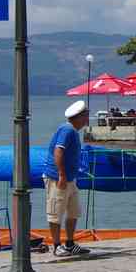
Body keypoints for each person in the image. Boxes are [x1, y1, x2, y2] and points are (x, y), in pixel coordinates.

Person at [43, 100, 90, 257]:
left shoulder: (72, 131)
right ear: (80, 116)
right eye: (86, 115)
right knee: (56, 211)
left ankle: (69, 243)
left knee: (73, 211)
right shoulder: (67, 130)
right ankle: (56, 245)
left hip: (70, 178)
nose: (87, 118)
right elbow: (58, 152)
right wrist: (61, 175)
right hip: (58, 178)